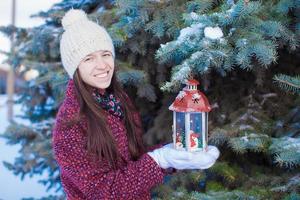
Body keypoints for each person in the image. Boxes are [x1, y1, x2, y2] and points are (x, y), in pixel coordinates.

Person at [52, 9, 220, 200]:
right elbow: (103, 191)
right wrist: (159, 160)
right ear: (75, 68)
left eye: (105, 54)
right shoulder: (69, 125)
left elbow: (132, 164)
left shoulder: (116, 102)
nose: (102, 65)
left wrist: (175, 155)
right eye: (89, 58)